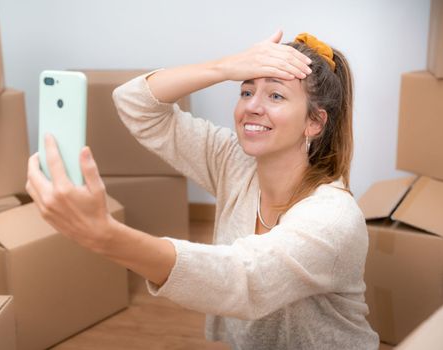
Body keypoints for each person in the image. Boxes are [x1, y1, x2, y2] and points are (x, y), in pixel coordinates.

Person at [26, 30, 380, 349]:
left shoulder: (334, 218)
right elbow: (134, 103)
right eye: (245, 90)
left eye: (275, 95)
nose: (251, 107)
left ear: (315, 123)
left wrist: (105, 235)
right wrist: (224, 67)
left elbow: (245, 281)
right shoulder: (233, 163)